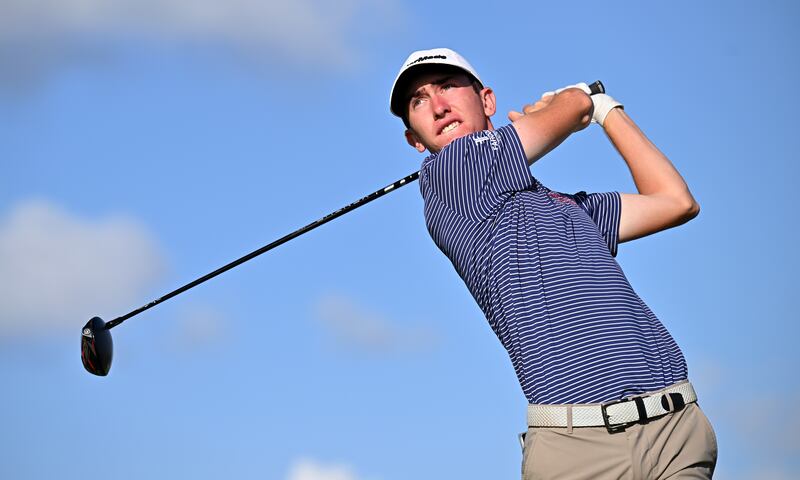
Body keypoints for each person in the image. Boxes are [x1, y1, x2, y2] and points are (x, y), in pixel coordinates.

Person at [389, 48, 717, 479]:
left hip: (674, 429)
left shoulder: (567, 207)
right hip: (578, 453)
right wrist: (582, 98)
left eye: (448, 86)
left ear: (486, 101)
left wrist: (607, 111)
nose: (437, 104)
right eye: (418, 100)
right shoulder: (448, 176)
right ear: (416, 140)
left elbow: (676, 202)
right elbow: (572, 106)